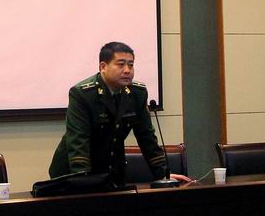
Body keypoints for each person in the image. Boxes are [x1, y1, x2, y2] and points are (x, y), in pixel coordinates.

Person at [49, 41, 192, 185]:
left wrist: (164, 174)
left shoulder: (137, 93)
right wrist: (83, 181)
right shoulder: (83, 94)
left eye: (131, 65)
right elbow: (78, 142)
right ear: (103, 67)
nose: (127, 70)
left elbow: (147, 137)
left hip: (113, 171)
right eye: (121, 64)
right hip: (73, 172)